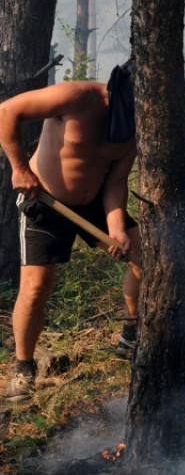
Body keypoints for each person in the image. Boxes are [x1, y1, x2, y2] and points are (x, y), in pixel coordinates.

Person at [0, 63, 141, 402]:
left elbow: (116, 181)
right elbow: (7, 110)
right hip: (44, 200)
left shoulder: (138, 124)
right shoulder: (79, 96)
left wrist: (117, 228)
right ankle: (23, 367)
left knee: (144, 257)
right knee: (36, 286)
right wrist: (19, 168)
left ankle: (132, 334)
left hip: (94, 200)